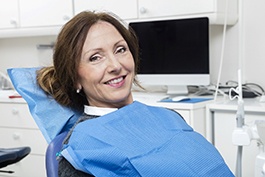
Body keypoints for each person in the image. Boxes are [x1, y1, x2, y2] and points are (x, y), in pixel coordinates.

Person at [37, 11, 234, 177]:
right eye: (95, 58)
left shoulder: (169, 117)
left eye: (120, 49)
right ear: (75, 78)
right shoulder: (80, 149)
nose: (115, 65)